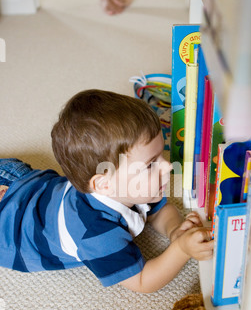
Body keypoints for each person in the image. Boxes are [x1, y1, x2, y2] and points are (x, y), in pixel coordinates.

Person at [0, 89, 213, 293]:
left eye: (161, 156)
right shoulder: (95, 232)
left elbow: (159, 210)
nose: (167, 167)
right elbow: (142, 281)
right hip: (8, 226)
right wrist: (181, 250)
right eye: (150, 165)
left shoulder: (132, 188)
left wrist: (175, 230)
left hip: (19, 177)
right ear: (104, 184)